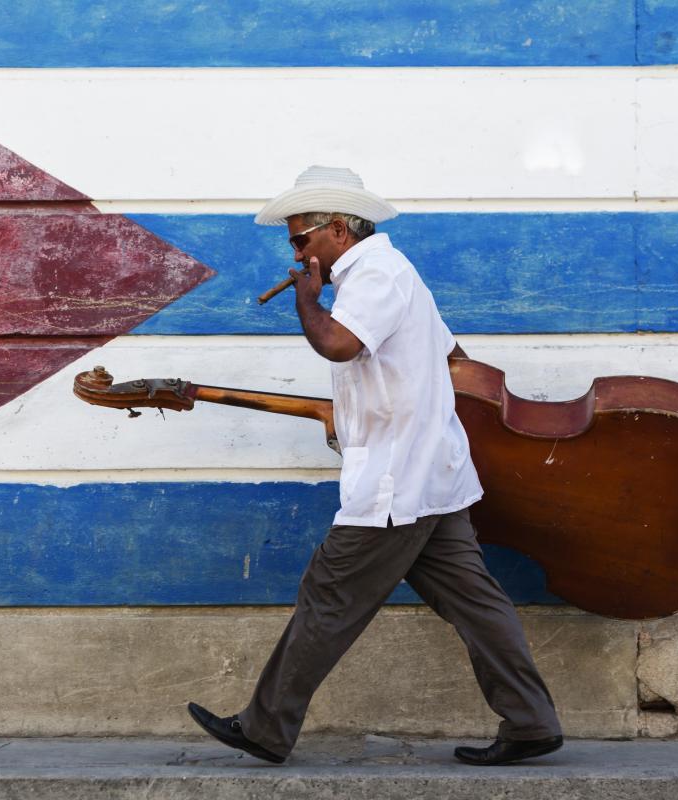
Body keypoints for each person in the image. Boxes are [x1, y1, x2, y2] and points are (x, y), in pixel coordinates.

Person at [187, 165, 562, 766]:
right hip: (431, 476)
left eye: (300, 239)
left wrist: (308, 303)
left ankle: (265, 727)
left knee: (329, 596)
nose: (296, 252)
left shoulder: (373, 274)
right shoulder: (395, 273)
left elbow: (340, 344)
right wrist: (394, 402)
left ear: (337, 229)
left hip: (395, 482)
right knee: (475, 602)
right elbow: (451, 355)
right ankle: (531, 720)